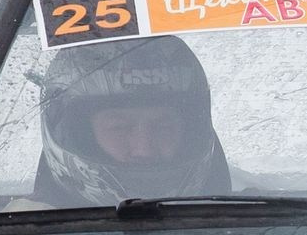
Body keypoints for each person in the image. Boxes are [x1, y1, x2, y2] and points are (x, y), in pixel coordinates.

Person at [28, 35, 232, 206]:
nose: (144, 149)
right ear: (81, 135)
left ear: (190, 131)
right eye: (120, 128)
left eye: (163, 127)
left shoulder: (252, 225)